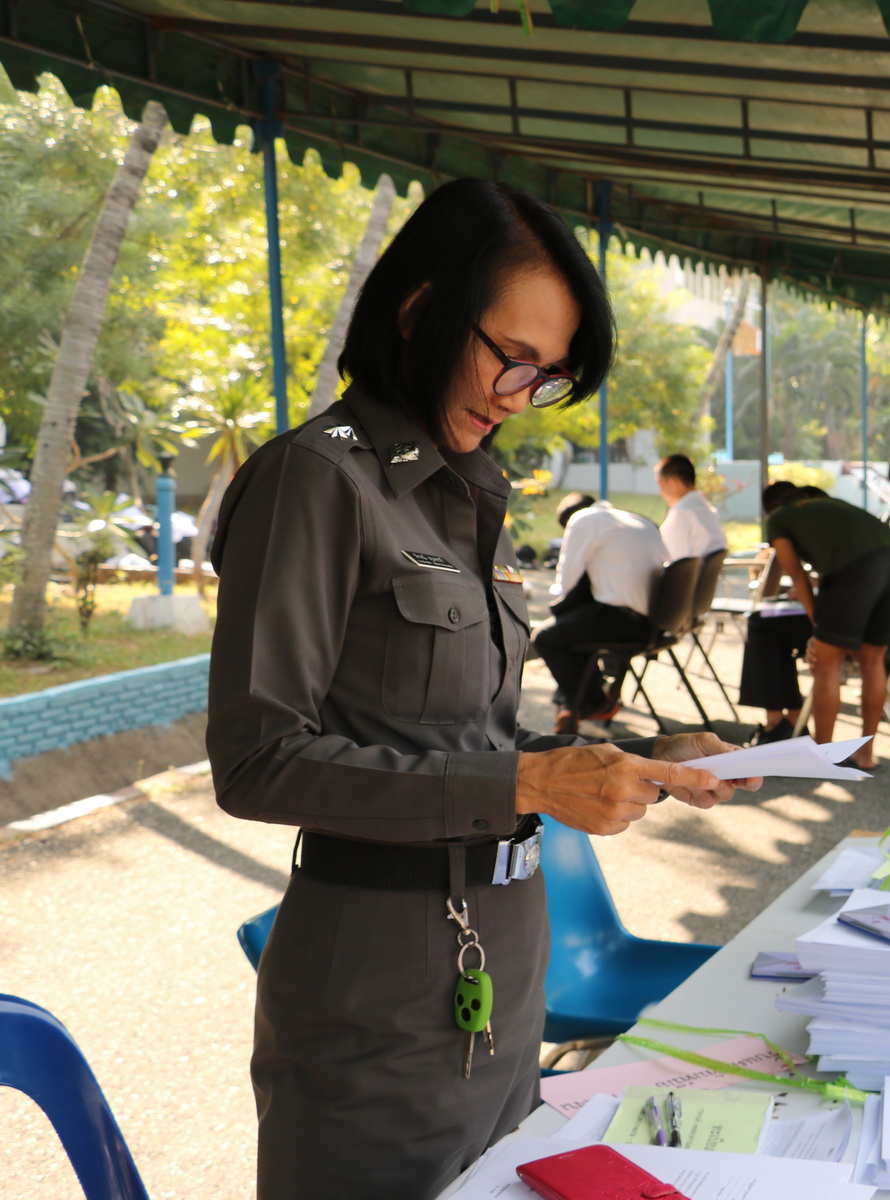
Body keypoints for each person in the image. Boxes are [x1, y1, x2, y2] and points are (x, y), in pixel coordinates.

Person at [205, 179, 751, 1200]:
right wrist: (530, 788)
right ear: (420, 313)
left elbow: (463, 734)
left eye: (545, 377)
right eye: (513, 355)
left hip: (505, 958)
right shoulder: (316, 480)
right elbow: (256, 760)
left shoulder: (472, 496)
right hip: (378, 984)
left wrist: (644, 760)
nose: (517, 394)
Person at [760, 481, 890, 769]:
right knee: (873, 660)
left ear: (771, 506)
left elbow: (795, 573)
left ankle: (823, 755)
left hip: (856, 568)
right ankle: (865, 755)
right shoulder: (831, 504)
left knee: (826, 663)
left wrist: (819, 625)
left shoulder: (778, 518)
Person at [534, 498, 669, 730]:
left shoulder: (582, 520)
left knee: (544, 638)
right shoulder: (638, 520)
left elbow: (566, 582)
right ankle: (577, 703)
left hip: (624, 623)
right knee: (574, 625)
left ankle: (594, 703)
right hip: (658, 622)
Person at [656, 453, 726, 563]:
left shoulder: (681, 513)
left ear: (674, 482)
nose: (660, 493)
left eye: (661, 485)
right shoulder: (707, 509)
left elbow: (674, 563)